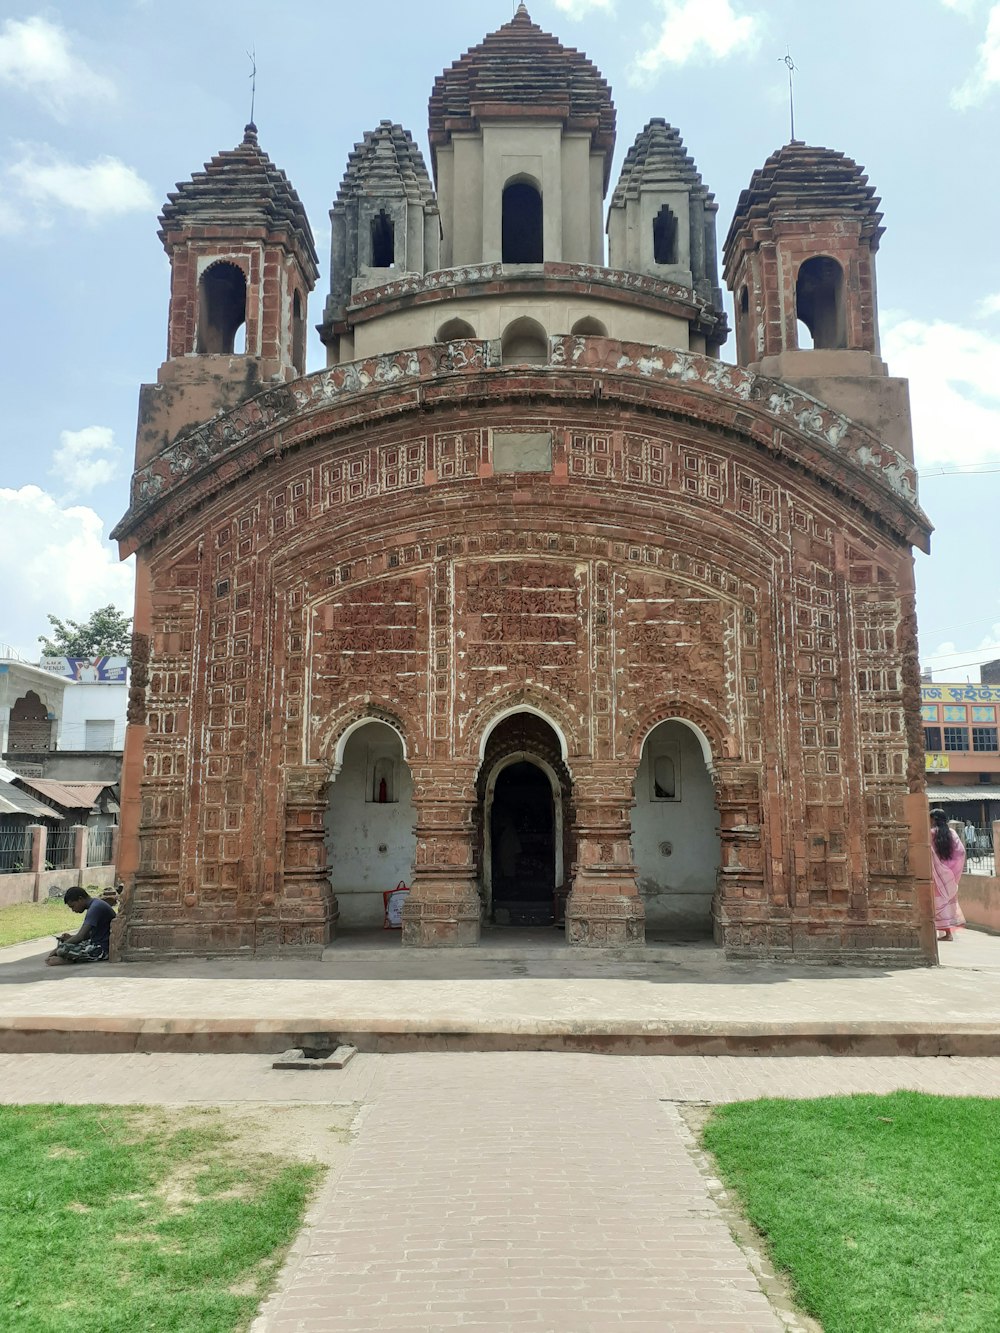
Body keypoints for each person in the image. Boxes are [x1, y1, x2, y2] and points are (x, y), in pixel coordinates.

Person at [45, 887, 116, 966]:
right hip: (96, 942)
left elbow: (80, 936)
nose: (73, 910)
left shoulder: (95, 908)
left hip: (102, 949)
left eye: (73, 906)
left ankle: (70, 961)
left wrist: (57, 949)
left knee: (61, 949)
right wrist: (70, 937)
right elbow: (90, 934)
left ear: (80, 899)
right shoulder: (95, 904)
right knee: (68, 944)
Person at [929, 808, 966, 943]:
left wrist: (939, 865)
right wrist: (951, 870)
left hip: (936, 874)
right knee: (947, 902)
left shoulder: (931, 833)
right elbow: (960, 852)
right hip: (949, 875)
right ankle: (948, 933)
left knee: (937, 902)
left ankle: (945, 933)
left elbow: (929, 852)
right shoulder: (952, 833)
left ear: (933, 820)